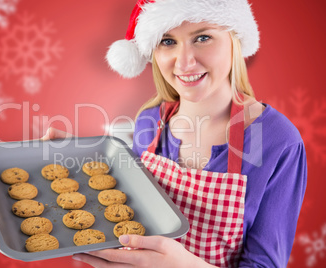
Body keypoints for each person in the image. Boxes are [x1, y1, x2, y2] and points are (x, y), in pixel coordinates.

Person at [43, 0, 307, 267]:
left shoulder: (278, 141)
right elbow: (125, 195)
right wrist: (77, 154)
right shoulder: (150, 120)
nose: (184, 62)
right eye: (167, 41)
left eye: (203, 37)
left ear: (234, 40)